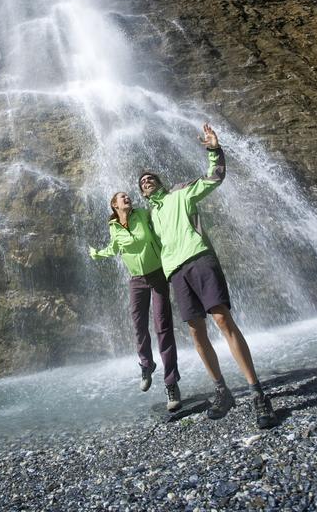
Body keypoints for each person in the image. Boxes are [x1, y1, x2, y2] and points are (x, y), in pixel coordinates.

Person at [138, 123, 278, 429]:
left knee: (222, 320)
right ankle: (222, 391)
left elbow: (215, 177)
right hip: (175, 272)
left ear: (160, 183)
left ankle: (257, 393)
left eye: (151, 178)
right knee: (195, 332)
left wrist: (214, 148)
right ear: (141, 192)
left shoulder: (180, 193)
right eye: (142, 182)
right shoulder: (147, 217)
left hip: (199, 259)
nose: (146, 181)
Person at [89, 192, 182, 411]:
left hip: (157, 273)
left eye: (128, 195)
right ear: (114, 204)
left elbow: (159, 227)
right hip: (136, 281)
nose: (127, 197)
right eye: (121, 197)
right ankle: (147, 365)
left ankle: (171, 384)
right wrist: (97, 254)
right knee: (139, 326)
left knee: (163, 327)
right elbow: (114, 248)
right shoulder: (114, 226)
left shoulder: (142, 214)